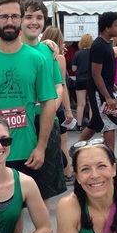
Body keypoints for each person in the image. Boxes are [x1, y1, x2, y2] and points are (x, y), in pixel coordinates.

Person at [0, 0, 56, 189]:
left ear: (21, 19)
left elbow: (49, 102)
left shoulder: (37, 59)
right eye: (3, 17)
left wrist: (41, 147)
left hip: (26, 151)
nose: (9, 21)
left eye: (15, 16)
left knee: (25, 208)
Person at [17, 0, 72, 203]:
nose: (34, 22)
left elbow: (58, 86)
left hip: (47, 123)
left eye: (39, 17)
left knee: (45, 187)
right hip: (19, 122)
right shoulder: (10, 48)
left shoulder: (48, 51)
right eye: (28, 16)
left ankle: (42, 231)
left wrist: (50, 108)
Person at [76, 12, 117, 172]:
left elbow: (104, 71)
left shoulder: (108, 43)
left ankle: (76, 151)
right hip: (98, 92)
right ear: (107, 28)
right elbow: (95, 73)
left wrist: (111, 84)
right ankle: (111, 161)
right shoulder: (99, 45)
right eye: (116, 25)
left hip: (105, 88)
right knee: (109, 124)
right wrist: (107, 97)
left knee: (94, 124)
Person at [41, 25, 75, 184]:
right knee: (61, 139)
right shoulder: (58, 58)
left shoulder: (40, 54)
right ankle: (66, 171)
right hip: (57, 103)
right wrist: (68, 110)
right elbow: (63, 86)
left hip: (44, 101)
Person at [71, 34, 93, 130]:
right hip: (91, 80)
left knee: (81, 104)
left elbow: (74, 68)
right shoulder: (94, 53)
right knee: (92, 103)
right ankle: (92, 125)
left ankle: (79, 125)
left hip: (80, 80)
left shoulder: (77, 54)